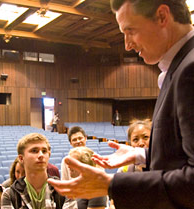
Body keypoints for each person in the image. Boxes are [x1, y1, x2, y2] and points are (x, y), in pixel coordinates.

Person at [47, 1, 194, 209]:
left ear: (162, 17)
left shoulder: (190, 69)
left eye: (130, 31)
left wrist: (111, 184)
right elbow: (181, 157)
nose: (127, 45)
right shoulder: (180, 68)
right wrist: (141, 154)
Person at [1, 133, 68, 209]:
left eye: (44, 151)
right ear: (21, 158)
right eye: (34, 151)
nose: (41, 155)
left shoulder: (65, 191)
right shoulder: (9, 195)